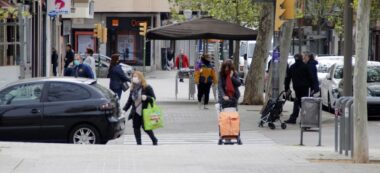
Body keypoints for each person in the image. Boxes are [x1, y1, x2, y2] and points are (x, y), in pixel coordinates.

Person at [123, 71, 158, 145]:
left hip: (144, 111)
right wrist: (124, 110)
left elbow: (153, 98)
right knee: (136, 128)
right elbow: (129, 101)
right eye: (133, 77)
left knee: (146, 128)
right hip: (135, 112)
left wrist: (147, 97)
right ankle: (139, 143)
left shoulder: (147, 87)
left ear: (140, 78)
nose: (134, 78)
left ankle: (154, 139)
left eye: (136, 77)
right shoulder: (133, 88)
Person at [284, 54, 313, 124]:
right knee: (303, 103)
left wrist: (286, 88)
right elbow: (310, 77)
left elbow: (287, 79)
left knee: (298, 102)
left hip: (297, 88)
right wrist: (312, 87)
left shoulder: (292, 67)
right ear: (301, 58)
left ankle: (294, 118)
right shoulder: (306, 66)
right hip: (305, 88)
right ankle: (304, 119)